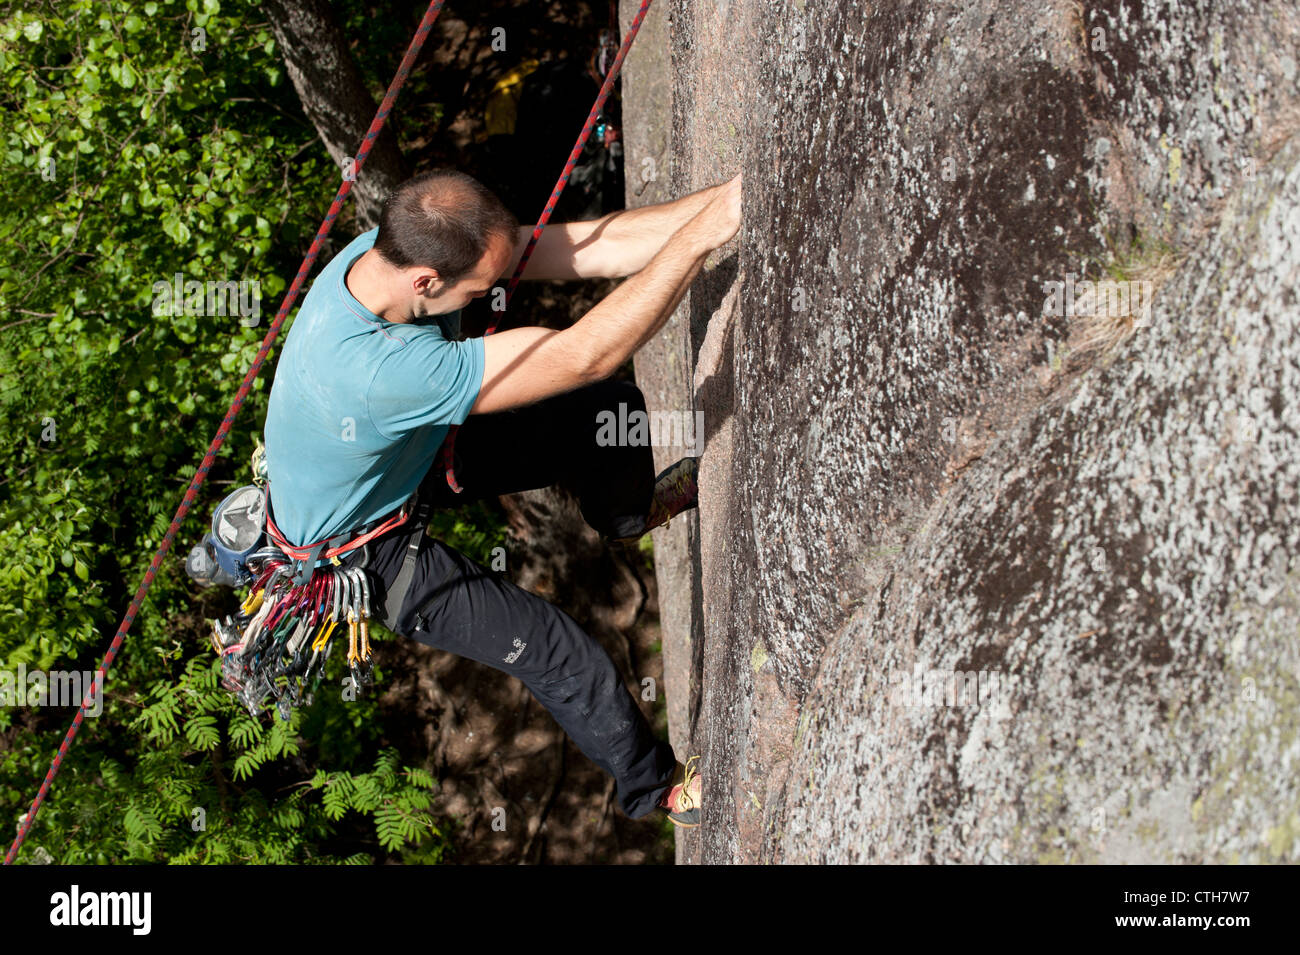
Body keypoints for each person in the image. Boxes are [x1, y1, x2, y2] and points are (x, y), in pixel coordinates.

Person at [261, 168, 742, 828]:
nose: (493, 294)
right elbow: (582, 353)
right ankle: (652, 787)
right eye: (482, 289)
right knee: (554, 645)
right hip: (361, 552)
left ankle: (628, 512)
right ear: (426, 282)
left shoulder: (388, 255)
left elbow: (583, 247)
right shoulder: (385, 372)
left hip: (401, 456)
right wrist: (701, 240)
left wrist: (720, 206)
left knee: (608, 412)